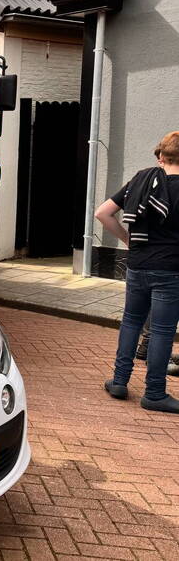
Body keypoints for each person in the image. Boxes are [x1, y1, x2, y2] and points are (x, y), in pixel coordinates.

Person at [98, 130, 179, 413]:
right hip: (171, 269)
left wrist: (127, 241)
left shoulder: (142, 179)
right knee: (162, 332)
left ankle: (119, 381)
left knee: (131, 322)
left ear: (162, 155)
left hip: (137, 264)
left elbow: (103, 213)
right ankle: (154, 393)